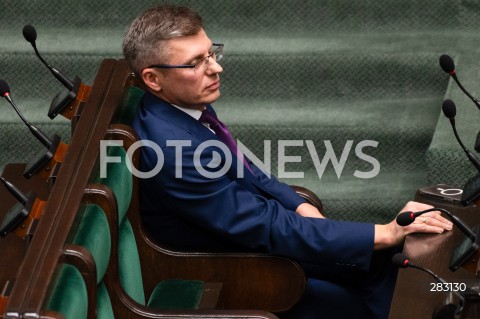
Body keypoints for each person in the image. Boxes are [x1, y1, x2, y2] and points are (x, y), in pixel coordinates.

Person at [123, 4, 453, 319]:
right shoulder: (176, 149)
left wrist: (297, 205)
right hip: (226, 267)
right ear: (153, 79)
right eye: (196, 62)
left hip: (252, 241)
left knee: (381, 261)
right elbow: (263, 226)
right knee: (357, 290)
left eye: (212, 52)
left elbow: (248, 171)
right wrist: (382, 232)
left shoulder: (181, 107)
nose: (216, 68)